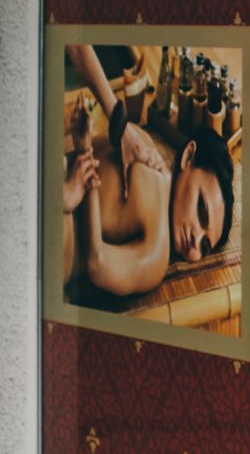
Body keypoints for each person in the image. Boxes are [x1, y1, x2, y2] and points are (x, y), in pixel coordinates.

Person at [62, 89, 234, 298]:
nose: (195, 239)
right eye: (201, 209)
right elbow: (72, 142)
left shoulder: (157, 254)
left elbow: (98, 264)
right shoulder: (137, 140)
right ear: (188, 156)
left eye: (204, 246)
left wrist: (85, 155)